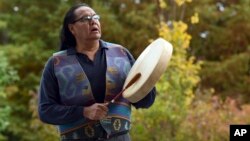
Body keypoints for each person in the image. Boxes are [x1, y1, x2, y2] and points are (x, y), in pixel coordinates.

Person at [38, 3, 156, 141]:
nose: (93, 21)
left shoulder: (121, 54)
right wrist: (83, 112)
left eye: (95, 17)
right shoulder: (56, 63)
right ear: (72, 28)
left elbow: (144, 102)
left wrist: (150, 77)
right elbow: (45, 111)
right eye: (85, 18)